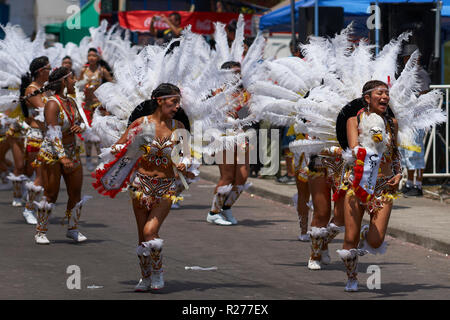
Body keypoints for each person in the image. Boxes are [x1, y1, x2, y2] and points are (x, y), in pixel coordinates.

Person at [103, 84, 188, 291]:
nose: (177, 106)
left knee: (151, 231)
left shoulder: (179, 127)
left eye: (178, 102)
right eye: (173, 102)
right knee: (142, 237)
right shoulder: (140, 124)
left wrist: (184, 164)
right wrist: (117, 148)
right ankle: (145, 277)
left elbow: (184, 155)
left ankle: (158, 272)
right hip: (140, 185)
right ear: (159, 101)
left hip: (166, 186)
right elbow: (118, 145)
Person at [337, 80, 402, 291]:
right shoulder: (353, 120)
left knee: (375, 241)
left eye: (386, 93)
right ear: (367, 98)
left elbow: (396, 153)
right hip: (357, 183)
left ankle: (367, 232)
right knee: (349, 237)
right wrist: (364, 153)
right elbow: (354, 147)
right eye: (379, 93)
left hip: (383, 186)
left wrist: (399, 173)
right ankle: (352, 277)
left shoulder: (392, 122)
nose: (384, 97)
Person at [33, 67, 89, 245]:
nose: (74, 82)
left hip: (72, 151)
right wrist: (62, 157)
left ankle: (72, 229)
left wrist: (80, 127)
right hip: (53, 154)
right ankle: (40, 231)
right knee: (51, 194)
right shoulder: (52, 103)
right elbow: (53, 131)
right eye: (72, 79)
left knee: (76, 193)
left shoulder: (71, 101)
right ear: (64, 82)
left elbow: (81, 121)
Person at [206, 61, 251, 226]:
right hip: (222, 137)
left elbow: (249, 116)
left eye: (239, 72)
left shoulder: (244, 93)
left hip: (240, 136)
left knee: (242, 177)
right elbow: (207, 114)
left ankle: (226, 207)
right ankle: (213, 212)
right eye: (234, 72)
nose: (238, 75)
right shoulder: (217, 92)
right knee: (227, 176)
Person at [16, 56, 51, 224]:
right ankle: (28, 209)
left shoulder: (45, 88)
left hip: (48, 136)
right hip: (37, 137)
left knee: (46, 176)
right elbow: (45, 112)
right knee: (41, 176)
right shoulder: (32, 90)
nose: (50, 71)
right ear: (40, 71)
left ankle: (35, 205)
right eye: (48, 69)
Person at [398, 45, 431, 197]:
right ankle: (410, 182)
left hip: (417, 118)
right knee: (406, 151)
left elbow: (424, 96)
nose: (406, 60)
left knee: (415, 151)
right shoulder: (406, 74)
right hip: (406, 117)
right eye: (405, 57)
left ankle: (418, 184)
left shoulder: (420, 74)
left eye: (408, 57)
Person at [78, 48, 113, 171]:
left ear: (98, 57)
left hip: (98, 106)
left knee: (99, 135)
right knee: (87, 133)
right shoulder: (84, 70)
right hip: (86, 106)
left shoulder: (102, 70)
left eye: (94, 55)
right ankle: (88, 159)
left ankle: (99, 159)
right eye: (89, 55)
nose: (91, 57)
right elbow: (77, 85)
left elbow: (112, 83)